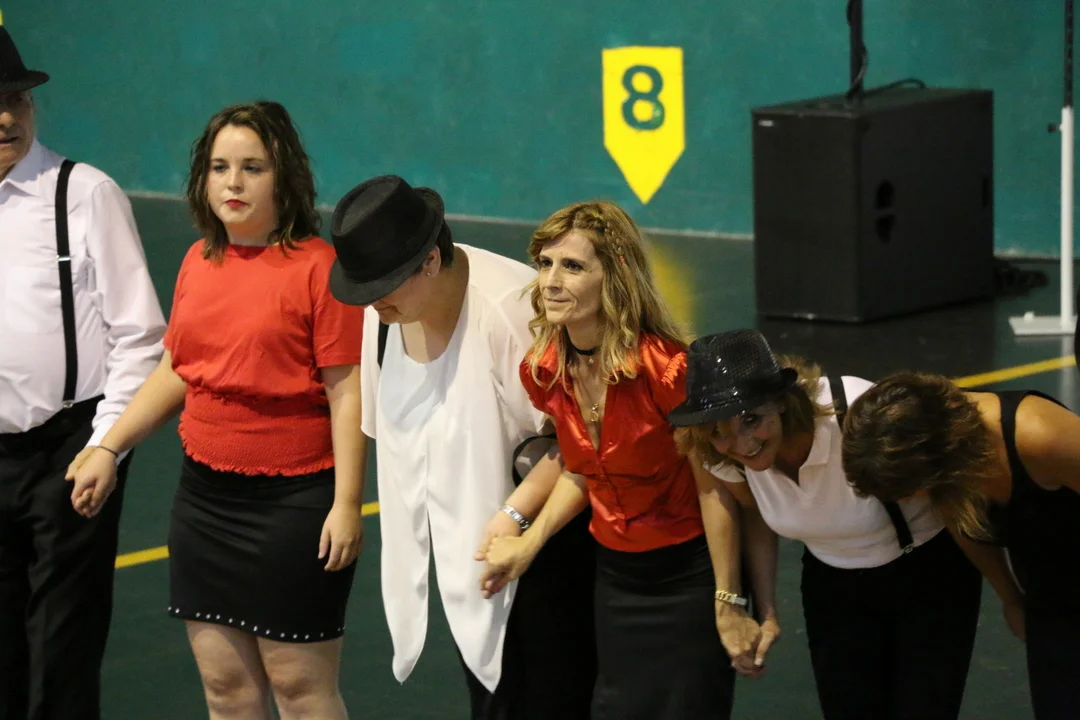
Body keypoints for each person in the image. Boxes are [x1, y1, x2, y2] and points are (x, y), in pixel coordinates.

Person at [67, 101, 363, 720]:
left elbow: (348, 392)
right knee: (225, 690)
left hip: (294, 506)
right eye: (220, 167)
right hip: (203, 505)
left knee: (300, 691)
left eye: (253, 167)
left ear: (284, 177)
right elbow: (177, 369)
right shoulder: (198, 261)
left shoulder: (320, 268)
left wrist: (345, 504)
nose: (234, 182)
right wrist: (108, 446)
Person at [327, 174, 596, 719]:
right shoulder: (385, 315)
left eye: (384, 284)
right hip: (474, 559)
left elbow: (583, 438)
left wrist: (513, 516)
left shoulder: (511, 311)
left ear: (430, 261)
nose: (373, 300)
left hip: (547, 551)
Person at [478, 201, 760, 720]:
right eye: (545, 264)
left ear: (615, 275)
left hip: (688, 576)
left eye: (573, 266)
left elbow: (713, 487)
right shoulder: (544, 370)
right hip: (616, 579)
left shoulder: (667, 370)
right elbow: (581, 468)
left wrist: (729, 601)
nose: (551, 282)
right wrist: (528, 542)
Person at [669, 329, 983, 720]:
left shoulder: (854, 411)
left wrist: (1009, 590)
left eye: (751, 419)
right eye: (719, 430)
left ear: (780, 401)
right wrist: (764, 611)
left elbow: (955, 486)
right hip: (833, 587)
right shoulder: (723, 455)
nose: (741, 442)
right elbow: (753, 514)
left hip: (926, 575)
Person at [0, 22, 167, 720]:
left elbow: (140, 335)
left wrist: (106, 446)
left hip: (71, 450)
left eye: (16, 99)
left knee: (61, 647)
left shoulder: (85, 193)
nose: (5, 117)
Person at [841, 371, 1080, 720]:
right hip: (1052, 597)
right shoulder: (942, 463)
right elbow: (964, 526)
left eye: (911, 490)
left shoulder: (1040, 434)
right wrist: (1011, 598)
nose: (908, 499)